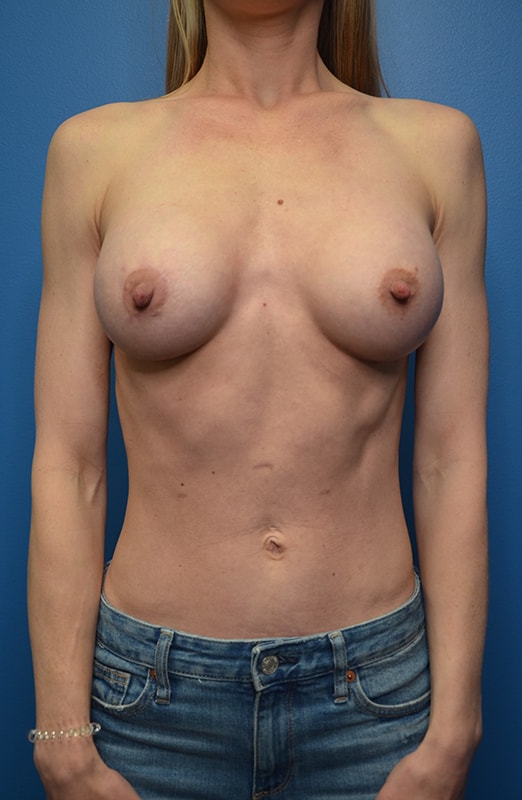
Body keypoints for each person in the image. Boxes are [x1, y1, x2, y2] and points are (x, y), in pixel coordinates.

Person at [28, 1, 488, 798]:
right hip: (151, 703)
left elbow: (451, 458)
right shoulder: (94, 152)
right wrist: (62, 741)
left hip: (373, 700)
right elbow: (70, 467)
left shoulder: (436, 147)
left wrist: (456, 729)